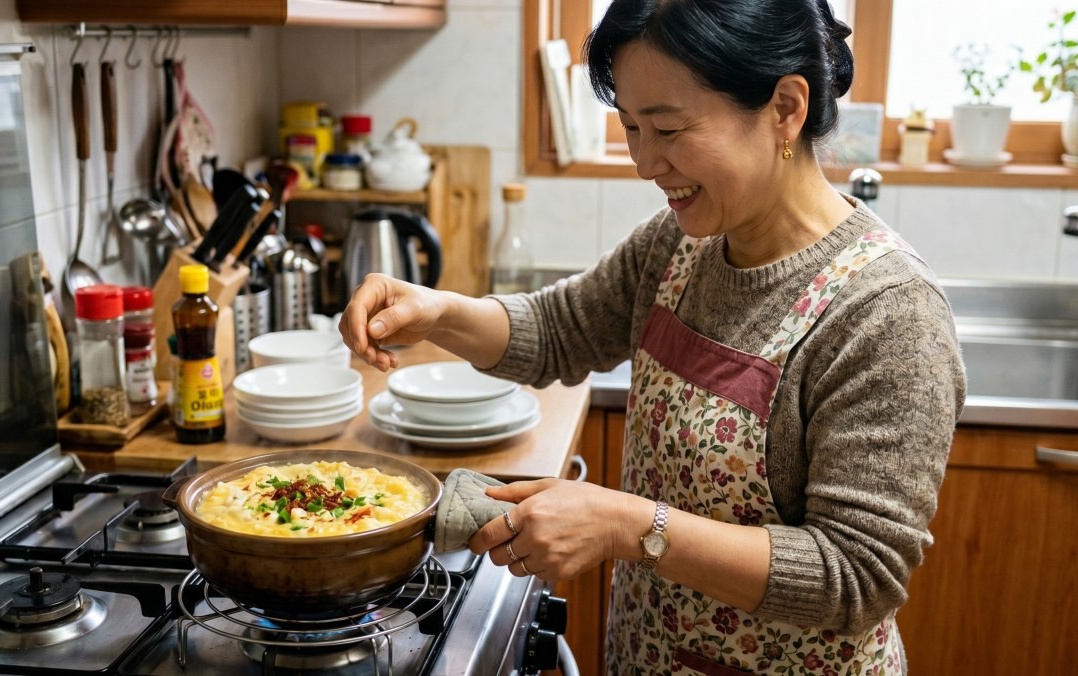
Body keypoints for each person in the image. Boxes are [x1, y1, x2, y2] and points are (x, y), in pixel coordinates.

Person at [339, 0, 966, 673]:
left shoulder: (889, 313)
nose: (643, 162)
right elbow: (560, 330)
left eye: (667, 128)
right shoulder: (681, 244)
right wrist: (436, 311)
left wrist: (632, 525)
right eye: (631, 128)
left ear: (785, 108)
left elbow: (856, 576)